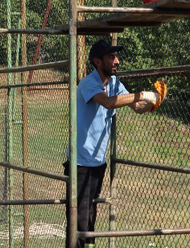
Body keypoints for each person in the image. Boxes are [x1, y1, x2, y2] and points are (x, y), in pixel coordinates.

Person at [65, 39, 159, 247]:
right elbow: (108, 103)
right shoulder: (88, 83)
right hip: (79, 163)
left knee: (90, 213)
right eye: (111, 57)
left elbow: (137, 106)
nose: (117, 61)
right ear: (98, 61)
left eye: (116, 56)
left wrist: (154, 101)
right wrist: (142, 94)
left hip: (98, 162)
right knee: (79, 218)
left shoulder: (116, 84)